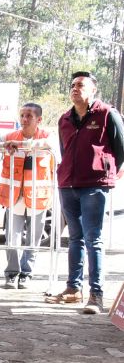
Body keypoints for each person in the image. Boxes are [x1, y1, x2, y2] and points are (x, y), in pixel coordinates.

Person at [46, 71, 124, 314]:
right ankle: (73, 289)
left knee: (93, 238)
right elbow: (64, 149)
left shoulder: (107, 113)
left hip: (94, 184)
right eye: (72, 85)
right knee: (75, 239)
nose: (75, 89)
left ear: (93, 90)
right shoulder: (64, 119)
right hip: (68, 183)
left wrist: (111, 172)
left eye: (80, 85)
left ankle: (96, 294)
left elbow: (121, 146)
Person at [0, 103, 54, 289]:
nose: (24, 119)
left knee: (33, 239)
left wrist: (28, 145)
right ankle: (12, 273)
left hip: (38, 197)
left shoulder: (47, 136)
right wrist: (4, 145)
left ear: (39, 119)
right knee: (12, 238)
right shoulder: (11, 136)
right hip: (14, 197)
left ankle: (27, 273)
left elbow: (52, 145)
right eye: (22, 115)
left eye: (29, 115)